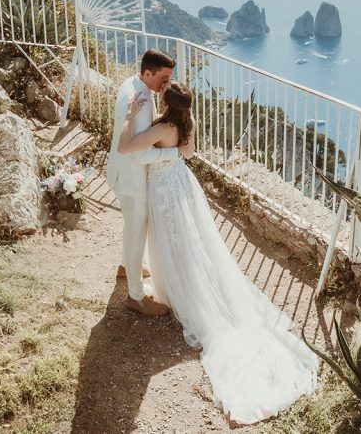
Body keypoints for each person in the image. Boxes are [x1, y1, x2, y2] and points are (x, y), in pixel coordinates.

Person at [117, 80, 319, 424]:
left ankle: (181, 290)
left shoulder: (161, 128)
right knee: (190, 243)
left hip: (164, 190)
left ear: (165, 101)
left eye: (163, 91)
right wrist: (170, 154)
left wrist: (129, 116)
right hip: (182, 184)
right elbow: (188, 154)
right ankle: (187, 283)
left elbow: (125, 148)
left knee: (173, 242)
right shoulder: (187, 121)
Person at [105, 49, 191, 317]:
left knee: (132, 229)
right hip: (132, 179)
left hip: (123, 172)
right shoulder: (141, 101)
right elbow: (140, 154)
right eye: (164, 78)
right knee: (136, 233)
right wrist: (173, 153)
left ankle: (126, 267)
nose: (167, 83)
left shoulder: (132, 84)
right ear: (147, 73)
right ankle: (136, 296)